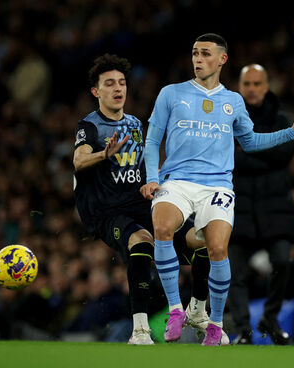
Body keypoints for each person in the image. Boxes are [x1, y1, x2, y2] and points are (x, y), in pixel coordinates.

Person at [140, 33, 294, 346]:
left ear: (222, 59)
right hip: (176, 180)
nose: (198, 59)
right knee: (162, 227)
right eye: (194, 53)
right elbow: (152, 140)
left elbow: (251, 141)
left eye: (205, 54)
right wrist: (152, 178)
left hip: (217, 185)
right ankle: (176, 310)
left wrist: (291, 132)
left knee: (218, 249)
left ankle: (215, 324)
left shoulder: (233, 101)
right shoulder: (171, 94)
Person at [72, 54, 227, 345]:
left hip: (141, 204)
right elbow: (79, 161)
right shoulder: (90, 126)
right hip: (107, 211)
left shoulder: (133, 124)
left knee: (204, 238)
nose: (118, 88)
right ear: (96, 92)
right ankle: (140, 330)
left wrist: (156, 182)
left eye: (121, 82)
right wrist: (103, 154)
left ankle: (197, 309)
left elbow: (145, 166)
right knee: (141, 241)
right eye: (109, 84)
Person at [228, 64, 294, 345]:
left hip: (275, 207)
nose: (253, 89)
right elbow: (226, 158)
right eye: (248, 84)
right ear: (240, 87)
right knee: (234, 272)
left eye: (258, 84)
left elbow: (284, 155)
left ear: (266, 86)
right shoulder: (228, 121)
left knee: (282, 261)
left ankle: (270, 319)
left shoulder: (283, 119)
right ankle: (244, 331)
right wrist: (267, 149)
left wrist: (245, 149)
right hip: (238, 207)